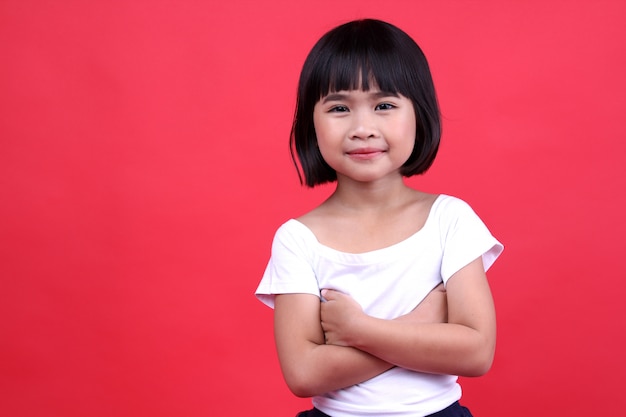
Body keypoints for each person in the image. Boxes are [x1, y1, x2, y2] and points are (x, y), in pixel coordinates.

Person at [255, 18, 503, 417]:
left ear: (419, 114)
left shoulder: (450, 219)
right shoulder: (298, 238)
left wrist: (361, 332)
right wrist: (421, 323)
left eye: (384, 105)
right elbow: (303, 374)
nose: (363, 128)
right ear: (310, 124)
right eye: (339, 108)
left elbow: (476, 353)